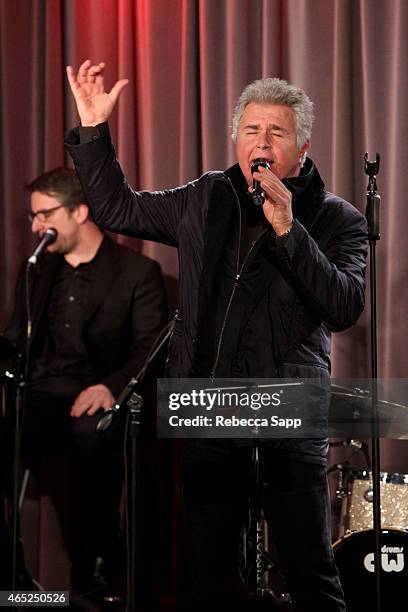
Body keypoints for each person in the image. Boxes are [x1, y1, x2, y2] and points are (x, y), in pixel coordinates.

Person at [65, 60, 368, 611]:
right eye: (251, 130)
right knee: (210, 577)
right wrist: (92, 132)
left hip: (287, 410)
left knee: (309, 573)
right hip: (208, 409)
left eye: (276, 132)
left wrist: (287, 227)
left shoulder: (336, 218)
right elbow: (116, 207)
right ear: (235, 139)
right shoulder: (206, 196)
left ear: (302, 147)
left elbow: (344, 305)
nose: (262, 141)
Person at [3, 167, 167, 599]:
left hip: (95, 392)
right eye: (33, 217)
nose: (36, 226)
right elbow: (16, 338)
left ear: (79, 211)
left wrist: (110, 388)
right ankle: (14, 575)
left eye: (44, 215)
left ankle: (98, 568)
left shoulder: (136, 272)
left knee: (89, 439)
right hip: (41, 392)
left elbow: (150, 348)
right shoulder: (37, 269)